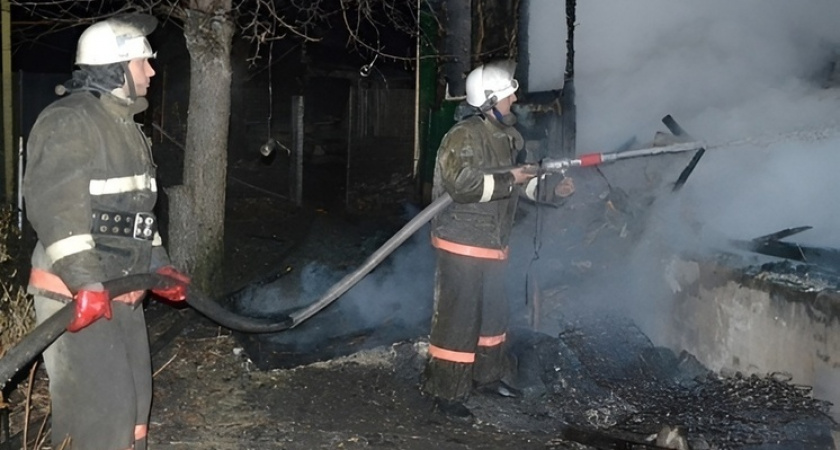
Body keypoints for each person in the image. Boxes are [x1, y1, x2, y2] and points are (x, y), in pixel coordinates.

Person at [23, 13, 190, 449]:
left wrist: (161, 267)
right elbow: (56, 211)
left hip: (122, 291)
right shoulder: (70, 121)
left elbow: (137, 216)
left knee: (134, 411)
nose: (152, 71)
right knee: (99, 418)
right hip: (77, 293)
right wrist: (86, 283)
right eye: (142, 63)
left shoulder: (127, 129)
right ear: (115, 69)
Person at [424, 59, 566, 418]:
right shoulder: (464, 137)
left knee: (493, 320)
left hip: (493, 244)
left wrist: (555, 190)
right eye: (507, 94)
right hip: (462, 244)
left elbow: (522, 185)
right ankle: (448, 393)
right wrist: (511, 180)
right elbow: (463, 184)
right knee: (459, 322)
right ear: (488, 101)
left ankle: (487, 377)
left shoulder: (508, 138)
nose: (515, 98)